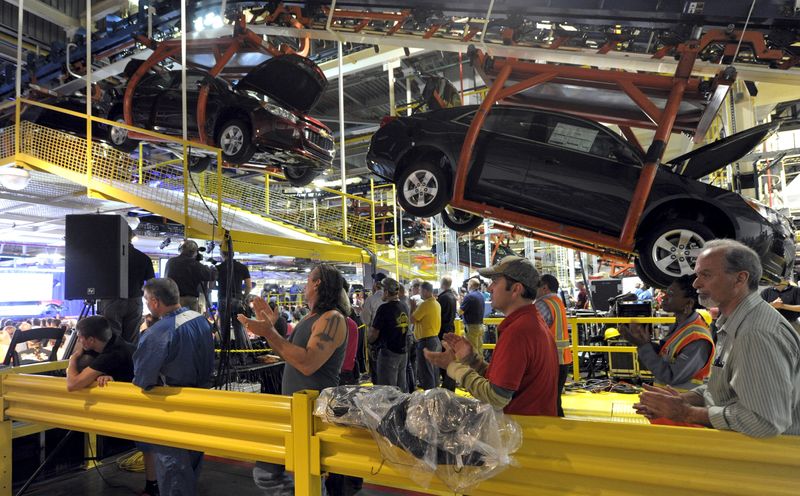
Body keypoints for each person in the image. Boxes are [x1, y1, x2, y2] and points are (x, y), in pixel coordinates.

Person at [635, 240, 800, 437]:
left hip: (767, 461)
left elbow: (763, 421)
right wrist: (684, 399)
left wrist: (686, 413)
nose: (696, 283)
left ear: (740, 279)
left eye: (706, 275)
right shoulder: (735, 323)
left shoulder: (755, 334)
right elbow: (726, 389)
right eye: (697, 275)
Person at [237, 263, 349, 496]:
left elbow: (307, 363)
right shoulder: (313, 317)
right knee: (270, 473)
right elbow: (288, 352)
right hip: (294, 409)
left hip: (312, 413)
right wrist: (273, 327)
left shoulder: (332, 318)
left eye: (308, 280)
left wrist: (269, 332)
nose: (305, 284)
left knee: (306, 477)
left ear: (317, 283)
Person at [426, 256, 558, 416]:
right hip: (534, 427)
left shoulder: (518, 332)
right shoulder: (531, 322)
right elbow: (504, 383)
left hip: (524, 431)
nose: (489, 288)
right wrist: (471, 360)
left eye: (495, 282)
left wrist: (453, 367)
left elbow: (496, 397)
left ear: (516, 289)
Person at [133, 278, 215, 494]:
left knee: (173, 468)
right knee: (192, 458)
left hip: (171, 405)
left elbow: (143, 378)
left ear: (155, 301)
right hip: (201, 399)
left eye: (147, 300)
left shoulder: (160, 331)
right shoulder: (201, 320)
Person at [66, 316, 159, 496]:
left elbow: (73, 384)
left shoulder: (111, 354)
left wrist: (72, 359)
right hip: (145, 396)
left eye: (80, 337)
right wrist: (110, 376)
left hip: (144, 403)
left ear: (91, 340)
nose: (78, 340)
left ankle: (154, 487)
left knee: (150, 447)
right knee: (149, 448)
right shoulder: (115, 342)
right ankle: (152, 486)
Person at [621, 275, 714, 392]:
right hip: (671, 403)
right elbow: (667, 356)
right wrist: (644, 343)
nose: (664, 297)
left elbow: (671, 376)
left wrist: (643, 346)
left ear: (688, 303)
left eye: (671, 294)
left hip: (684, 405)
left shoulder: (697, 339)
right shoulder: (681, 327)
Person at [99, 227, 155, 345]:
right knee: (132, 339)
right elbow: (151, 283)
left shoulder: (107, 257)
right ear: (131, 237)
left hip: (112, 299)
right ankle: (130, 362)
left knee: (112, 338)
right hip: (135, 301)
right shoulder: (143, 258)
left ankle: (114, 362)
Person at [534, 274, 573, 417]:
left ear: (544, 287)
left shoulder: (543, 304)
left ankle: (555, 435)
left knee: (548, 403)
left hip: (550, 360)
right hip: (562, 358)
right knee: (554, 401)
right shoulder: (557, 301)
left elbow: (532, 330)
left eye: (536, 286)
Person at [367, 277, 409, 390]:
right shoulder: (404, 306)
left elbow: (374, 333)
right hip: (403, 353)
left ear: (386, 292)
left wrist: (369, 342)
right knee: (401, 388)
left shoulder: (384, 308)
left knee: (388, 391)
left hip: (388, 354)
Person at [215, 246, 252, 349]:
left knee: (224, 329)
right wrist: (243, 297)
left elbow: (210, 285)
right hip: (238, 300)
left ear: (222, 254)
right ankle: (242, 357)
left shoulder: (218, 268)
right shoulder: (242, 267)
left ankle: (225, 356)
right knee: (239, 328)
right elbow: (249, 286)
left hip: (223, 300)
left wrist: (219, 287)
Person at [164, 240, 215, 313]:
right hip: (188, 301)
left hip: (172, 300)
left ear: (181, 250)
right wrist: (212, 268)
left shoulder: (170, 262)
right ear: (195, 252)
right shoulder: (194, 264)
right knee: (189, 322)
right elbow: (211, 275)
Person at [412, 281, 442, 390]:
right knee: (433, 371)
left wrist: (412, 307)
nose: (419, 293)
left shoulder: (425, 304)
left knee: (426, 372)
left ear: (425, 291)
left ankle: (429, 398)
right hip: (434, 340)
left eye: (420, 290)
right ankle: (436, 396)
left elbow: (412, 319)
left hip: (426, 342)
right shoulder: (436, 303)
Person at [360, 272, 386, 383]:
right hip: (391, 339)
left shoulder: (371, 300)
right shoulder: (395, 299)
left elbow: (365, 320)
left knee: (376, 368)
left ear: (375, 284)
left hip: (375, 338)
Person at [460, 278, 486, 353]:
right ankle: (481, 363)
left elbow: (460, 311)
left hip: (471, 327)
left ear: (471, 285)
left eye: (468, 284)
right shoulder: (481, 295)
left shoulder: (469, 296)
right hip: (480, 325)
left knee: (472, 349)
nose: (467, 285)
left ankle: (474, 365)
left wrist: (460, 301)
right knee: (479, 348)